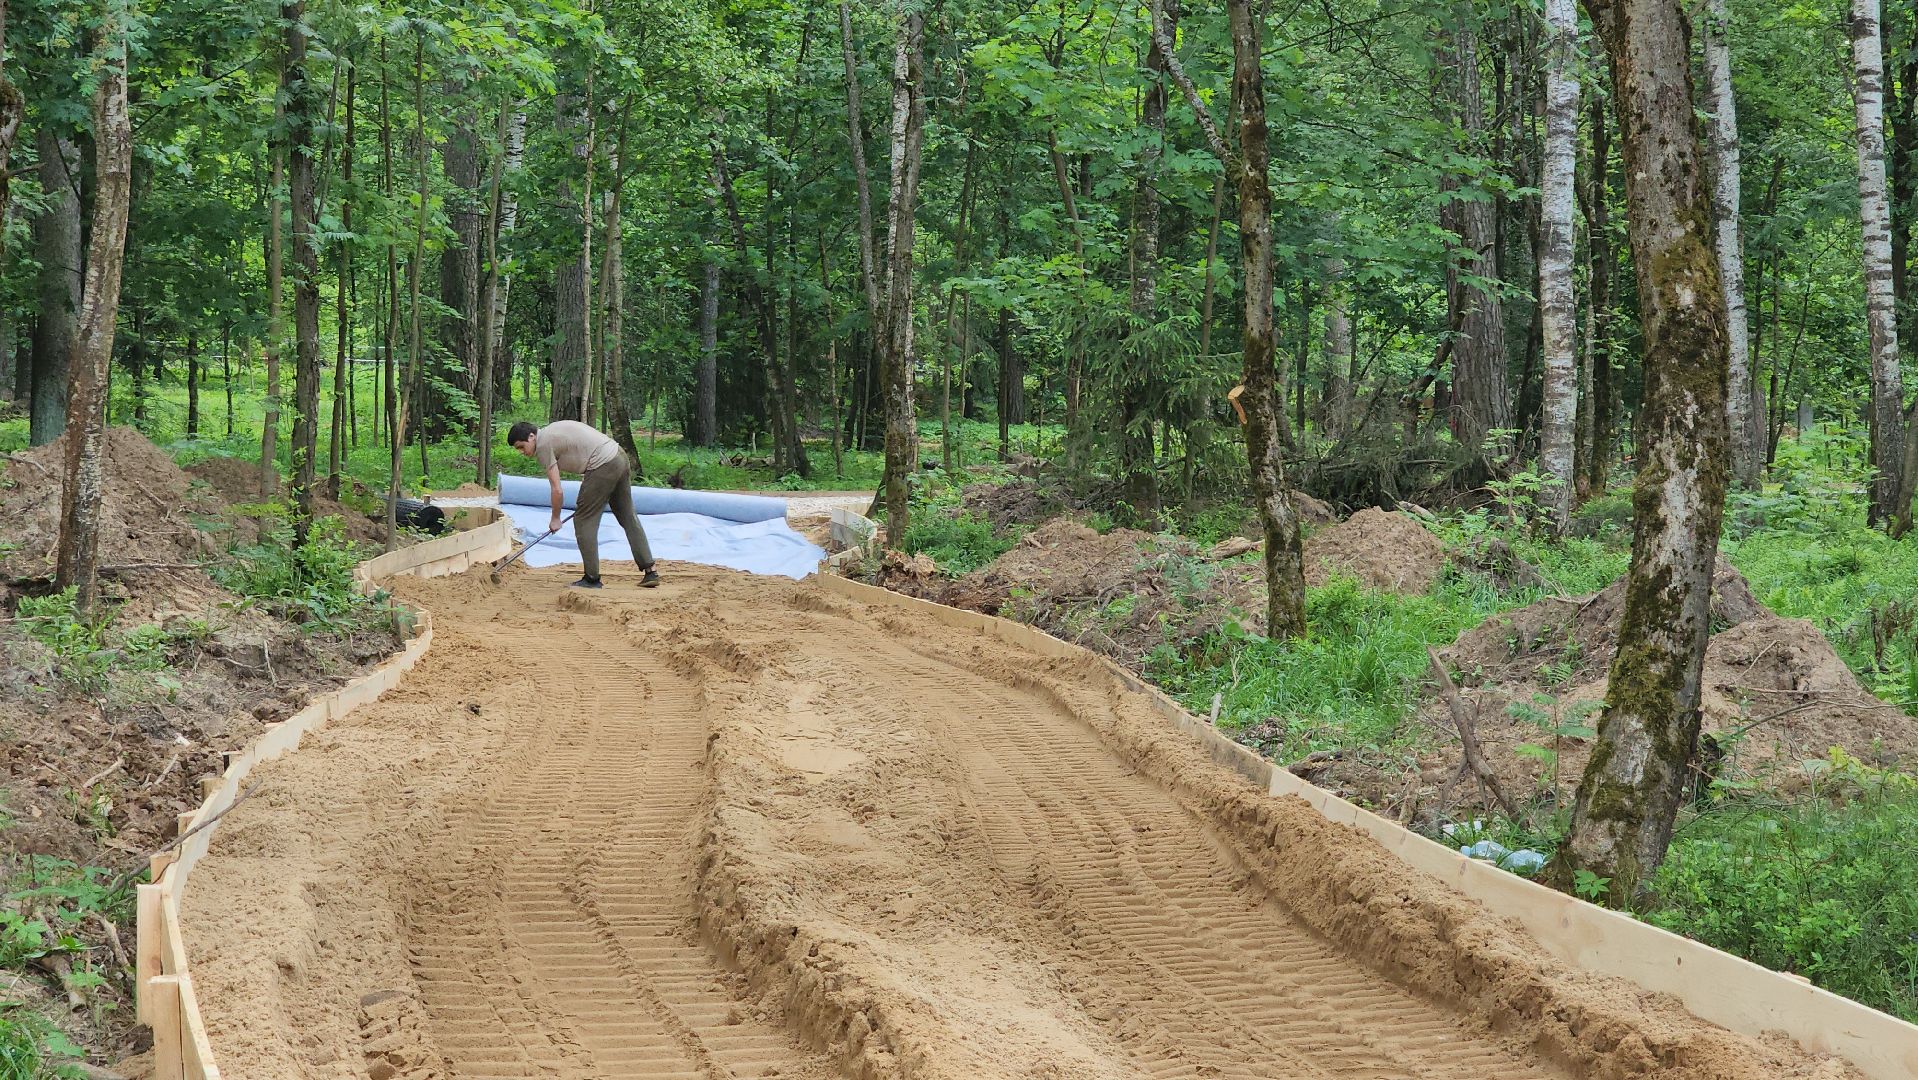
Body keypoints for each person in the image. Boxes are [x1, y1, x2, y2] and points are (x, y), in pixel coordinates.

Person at [507, 420, 659, 589]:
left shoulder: (543, 445)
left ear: (531, 436)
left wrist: (555, 519)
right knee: (627, 515)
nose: (522, 452)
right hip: (618, 456)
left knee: (583, 520)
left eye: (521, 447)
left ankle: (591, 578)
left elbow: (557, 490)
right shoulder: (552, 431)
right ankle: (650, 570)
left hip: (603, 464)